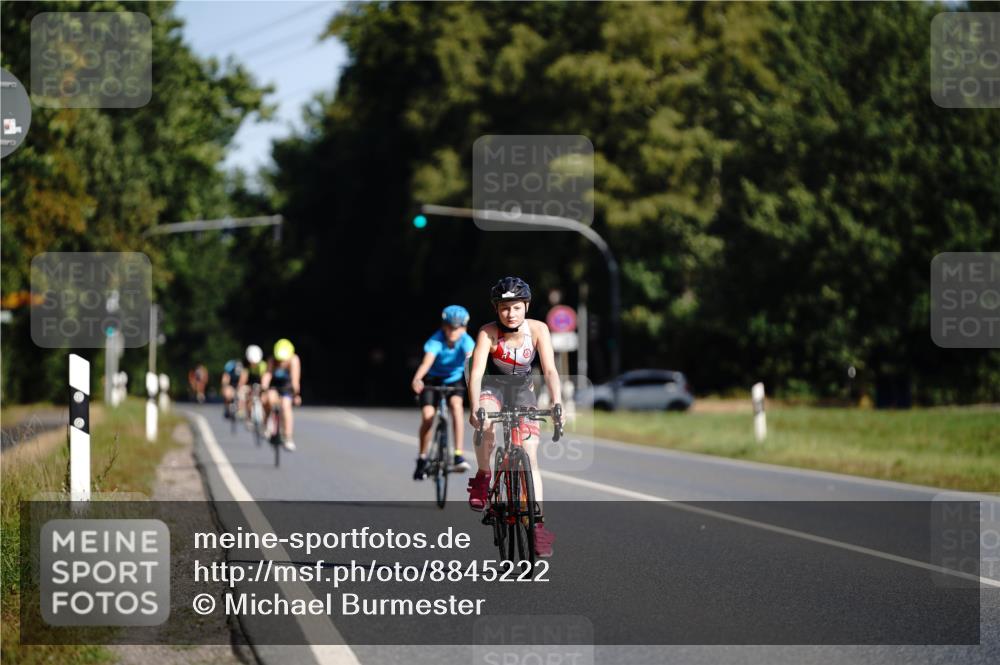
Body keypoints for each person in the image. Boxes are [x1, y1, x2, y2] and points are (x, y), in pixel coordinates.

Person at [466, 277, 562, 558]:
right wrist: (475, 407)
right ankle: (484, 476)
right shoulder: (488, 333)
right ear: (497, 309)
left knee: (530, 456)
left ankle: (538, 527)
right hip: (492, 387)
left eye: (516, 307)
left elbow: (551, 371)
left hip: (522, 391)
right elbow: (475, 373)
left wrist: (557, 403)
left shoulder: (539, 330)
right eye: (505, 308)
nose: (511, 313)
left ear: (526, 306)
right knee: (486, 424)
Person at [411, 305, 475, 480]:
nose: (453, 331)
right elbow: (426, 363)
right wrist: (418, 378)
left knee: (456, 407)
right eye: (449, 327)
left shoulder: (467, 341)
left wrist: (476, 382)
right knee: (428, 416)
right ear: (443, 326)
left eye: (458, 328)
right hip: (433, 379)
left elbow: (471, 362)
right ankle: (422, 457)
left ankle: (458, 453)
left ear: (464, 328)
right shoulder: (436, 340)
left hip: (454, 379)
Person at [261, 338, 302, 450]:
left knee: (285, 406)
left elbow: (295, 379)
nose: (282, 362)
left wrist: (296, 394)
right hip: (275, 385)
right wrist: (263, 388)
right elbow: (267, 375)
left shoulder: (294, 360)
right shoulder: (272, 360)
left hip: (287, 386)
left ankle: (288, 437)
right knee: (269, 399)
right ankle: (267, 424)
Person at [238, 344, 267, 423]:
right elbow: (243, 379)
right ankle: (242, 410)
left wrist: (263, 387)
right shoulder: (246, 366)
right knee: (242, 392)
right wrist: (241, 387)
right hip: (249, 385)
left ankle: (264, 418)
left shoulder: (263, 365)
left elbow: (264, 378)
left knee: (263, 398)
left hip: (259, 385)